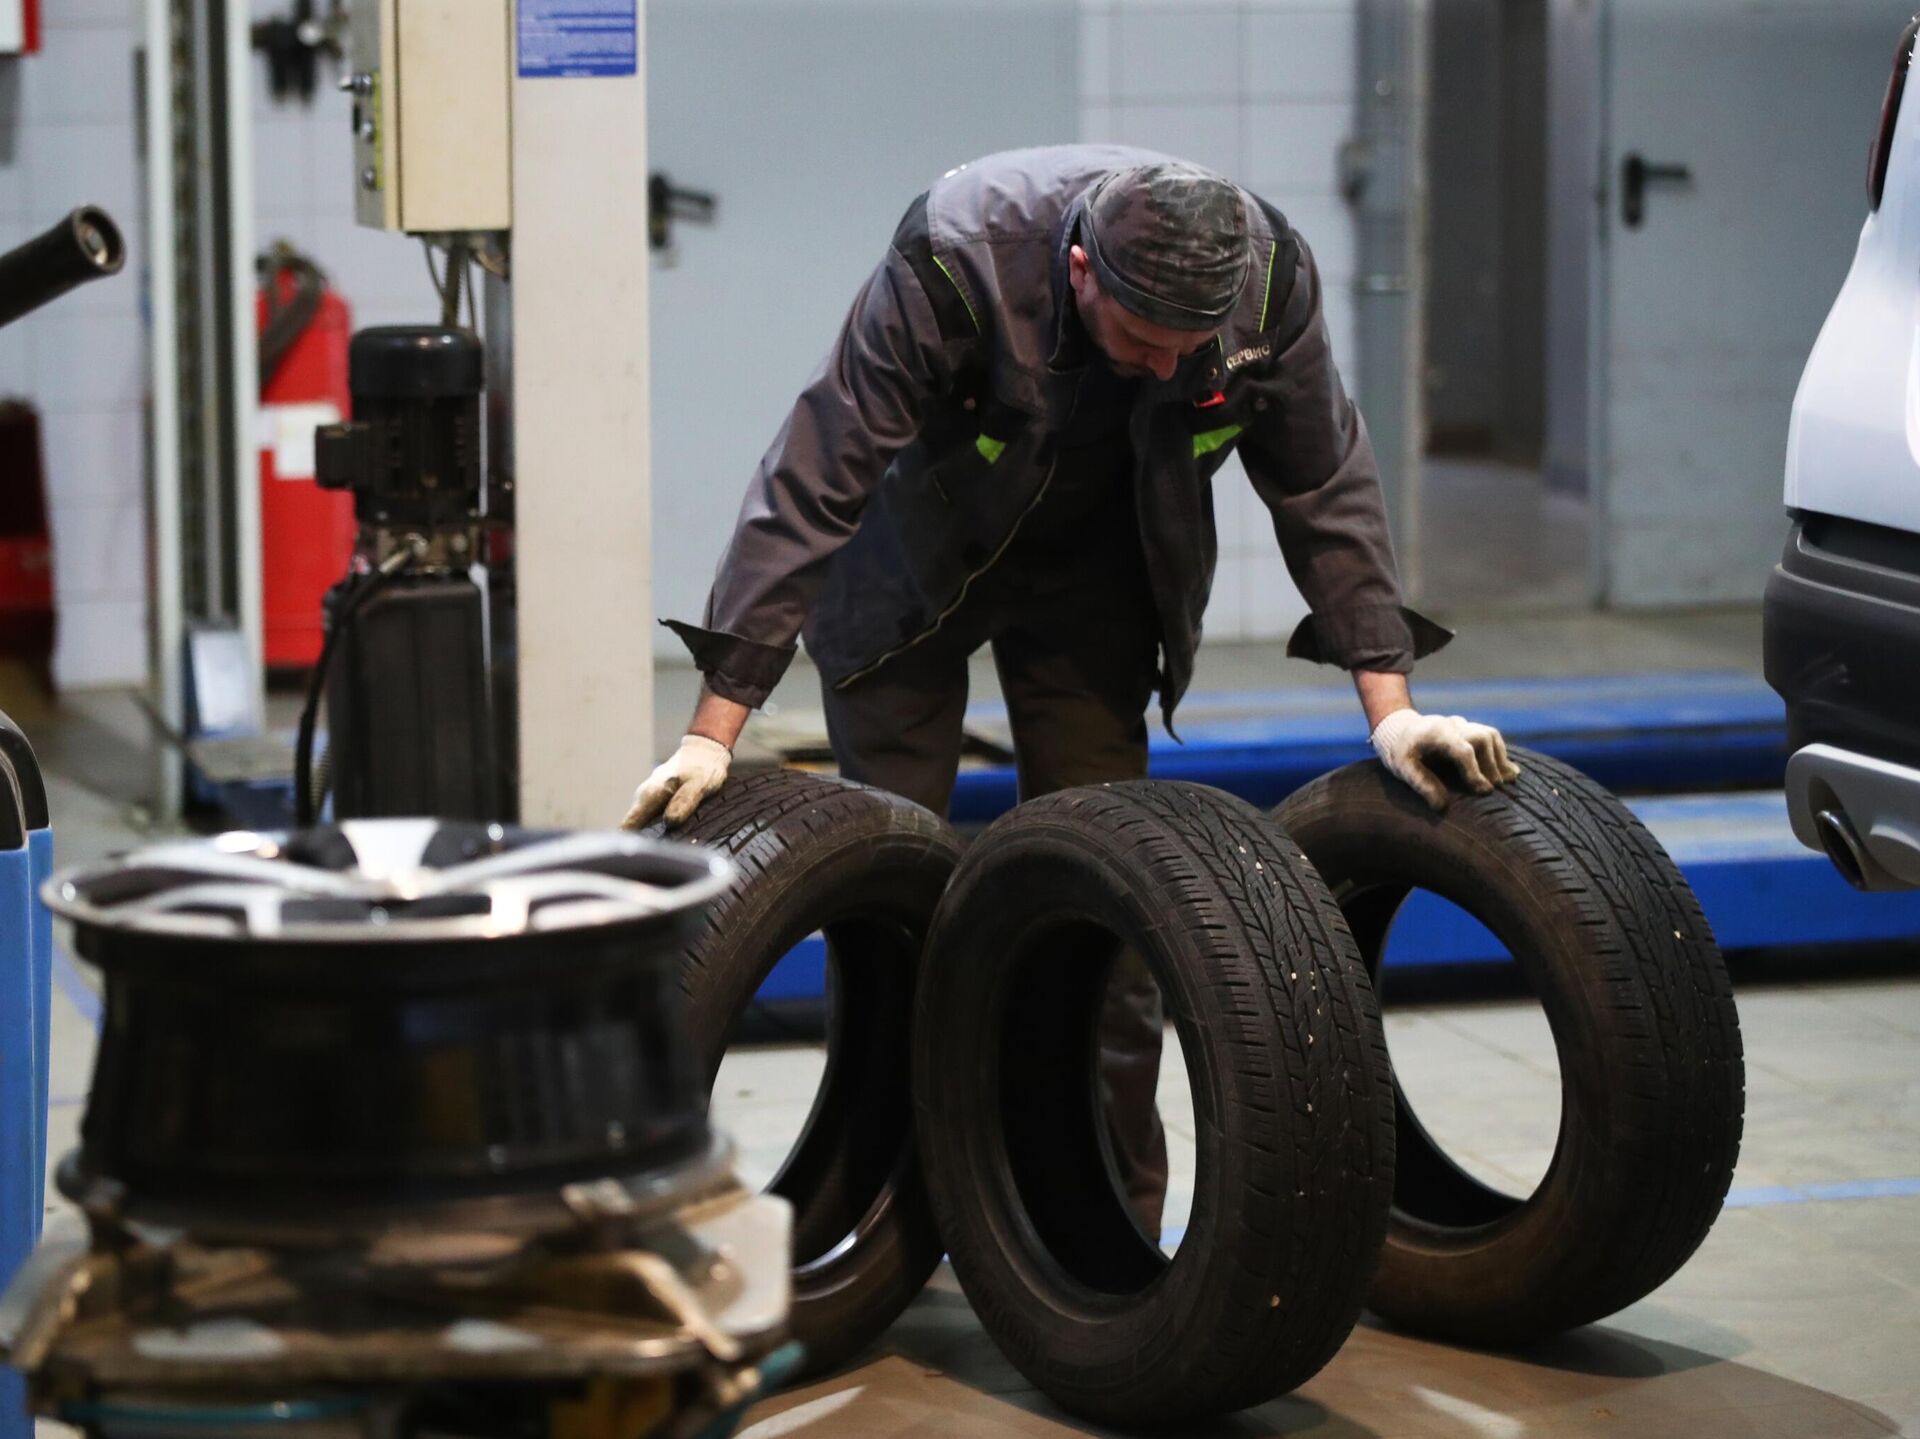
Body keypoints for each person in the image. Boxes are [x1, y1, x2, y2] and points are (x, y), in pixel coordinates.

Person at [624, 146, 1520, 1232]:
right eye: (1142, 338)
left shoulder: (1267, 283)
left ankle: (1099, 1228)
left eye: (1187, 348)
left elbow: (1325, 483)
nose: (1164, 364)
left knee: (1109, 897)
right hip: (912, 565)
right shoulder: (956, 260)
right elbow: (811, 481)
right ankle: (884, 1217)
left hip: (1102, 565)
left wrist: (1394, 712)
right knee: (881, 887)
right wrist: (713, 733)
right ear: (1084, 267)